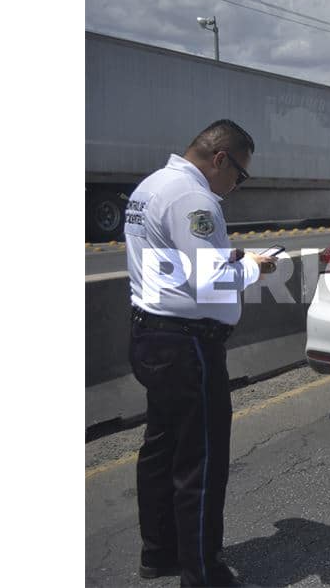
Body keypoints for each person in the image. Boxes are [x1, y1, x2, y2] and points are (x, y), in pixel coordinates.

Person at [124, 119, 276, 586]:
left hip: (151, 335)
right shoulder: (194, 198)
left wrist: (229, 259)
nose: (236, 186)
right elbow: (210, 284)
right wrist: (252, 267)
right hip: (187, 346)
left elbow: (179, 264)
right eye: (240, 175)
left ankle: (160, 553)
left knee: (161, 450)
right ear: (220, 159)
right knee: (201, 460)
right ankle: (204, 573)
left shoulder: (150, 186)